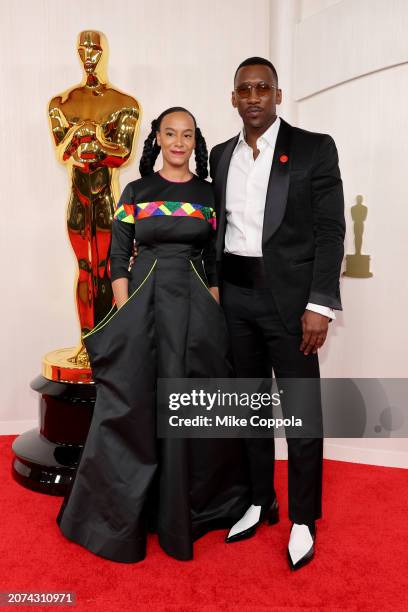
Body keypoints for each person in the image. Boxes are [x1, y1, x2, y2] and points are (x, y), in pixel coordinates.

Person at [56, 107, 250, 563]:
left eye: (186, 135)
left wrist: (214, 307)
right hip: (142, 304)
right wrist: (126, 311)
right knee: (134, 404)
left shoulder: (207, 194)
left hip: (196, 308)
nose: (178, 142)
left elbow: (216, 259)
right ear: (158, 139)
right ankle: (127, 514)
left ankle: (192, 511)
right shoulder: (137, 191)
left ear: (194, 141)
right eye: (170, 133)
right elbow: (118, 255)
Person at [209, 57, 345, 570]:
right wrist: (219, 288)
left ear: (278, 95)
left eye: (262, 88)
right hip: (236, 302)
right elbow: (218, 231)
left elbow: (331, 232)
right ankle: (259, 499)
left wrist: (319, 304)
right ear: (233, 98)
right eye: (244, 89)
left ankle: (304, 518)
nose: (253, 97)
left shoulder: (314, 148)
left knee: (300, 414)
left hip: (291, 304)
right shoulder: (221, 156)